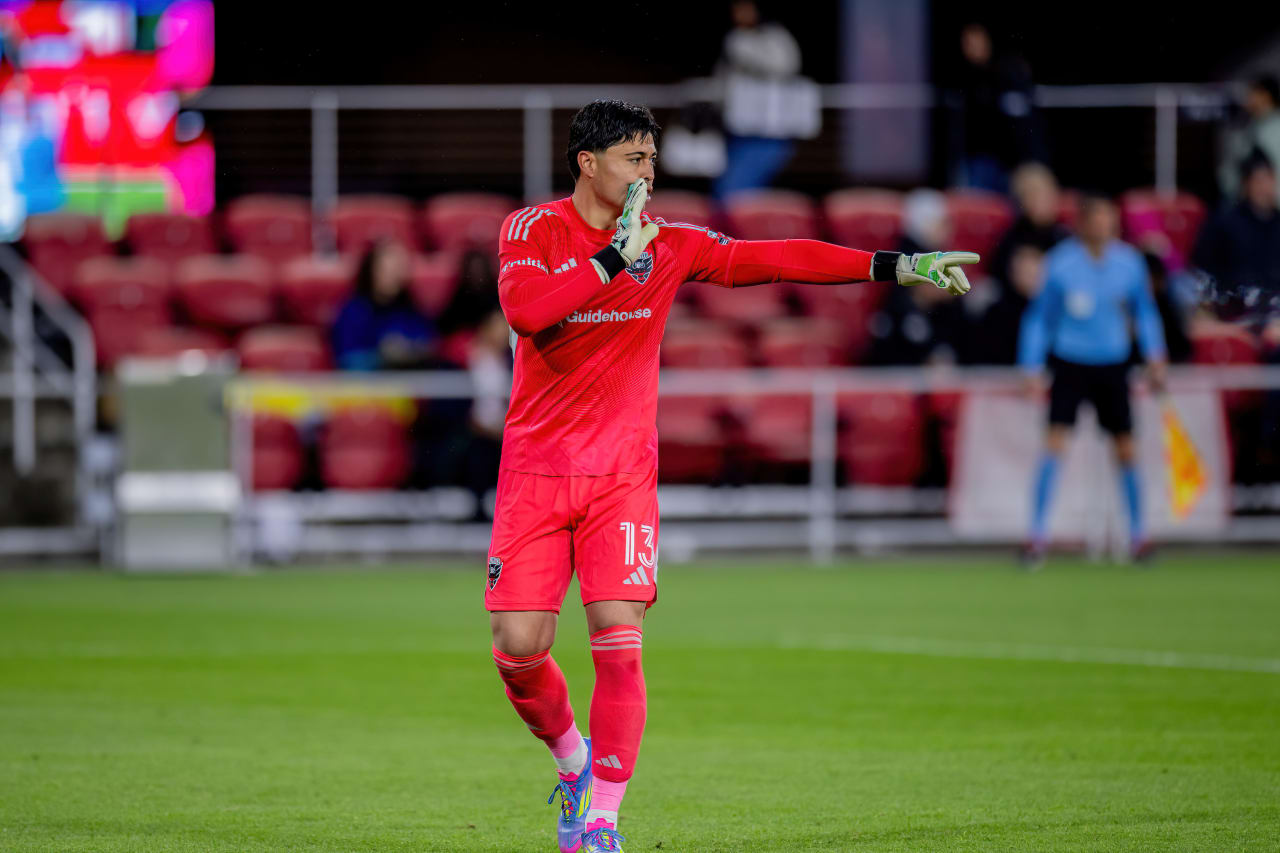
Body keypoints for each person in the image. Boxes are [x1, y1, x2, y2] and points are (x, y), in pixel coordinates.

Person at [489, 98, 977, 853]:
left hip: (622, 475)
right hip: (536, 472)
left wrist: (898, 263)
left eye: (652, 158)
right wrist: (614, 258)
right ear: (587, 164)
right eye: (633, 159)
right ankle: (573, 761)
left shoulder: (671, 245)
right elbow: (525, 310)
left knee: (618, 640)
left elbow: (774, 257)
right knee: (520, 646)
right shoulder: (531, 229)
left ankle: (602, 823)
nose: (648, 173)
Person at [1018, 193, 1167, 567]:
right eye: (1099, 218)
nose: (1106, 225)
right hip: (1070, 363)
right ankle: (1036, 537)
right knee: (1054, 445)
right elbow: (1040, 318)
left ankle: (1138, 536)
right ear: (1083, 223)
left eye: (1110, 219)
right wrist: (1031, 364)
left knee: (1127, 449)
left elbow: (1145, 313)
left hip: (1112, 363)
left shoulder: (1129, 263)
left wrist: (1155, 355)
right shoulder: (1061, 264)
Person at [711, 0, 817, 200]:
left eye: (745, 9)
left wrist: (742, 46)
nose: (740, 15)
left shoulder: (774, 37)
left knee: (736, 189)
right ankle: (730, 228)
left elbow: (784, 66)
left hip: (769, 128)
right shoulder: (735, 37)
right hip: (739, 125)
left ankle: (736, 229)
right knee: (734, 186)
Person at [1193, 150, 1280, 320]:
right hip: (1238, 308)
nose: (1264, 188)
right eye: (1258, 181)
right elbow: (1204, 267)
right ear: (1246, 184)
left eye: (1268, 180)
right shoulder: (1225, 223)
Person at [330, 240, 437, 371]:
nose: (394, 276)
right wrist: (383, 355)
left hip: (412, 384)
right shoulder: (353, 312)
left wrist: (411, 351)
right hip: (372, 387)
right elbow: (348, 360)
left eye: (399, 269)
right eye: (387, 270)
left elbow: (430, 344)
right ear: (371, 270)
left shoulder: (412, 312)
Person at [989, 163, 1070, 288]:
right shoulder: (1011, 239)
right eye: (1032, 196)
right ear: (1021, 201)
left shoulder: (1064, 237)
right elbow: (997, 278)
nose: (1040, 202)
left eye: (1045, 194)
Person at [975, 242, 1045, 365]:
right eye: (1026, 274)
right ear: (1013, 274)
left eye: (1036, 275)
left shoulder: (1052, 311)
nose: (1031, 280)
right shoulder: (996, 314)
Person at [1218, 75, 1280, 205]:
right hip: (1250, 203)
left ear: (1265, 95)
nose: (1247, 99)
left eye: (1252, 94)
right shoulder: (1254, 126)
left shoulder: (1273, 129)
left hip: (1269, 206)